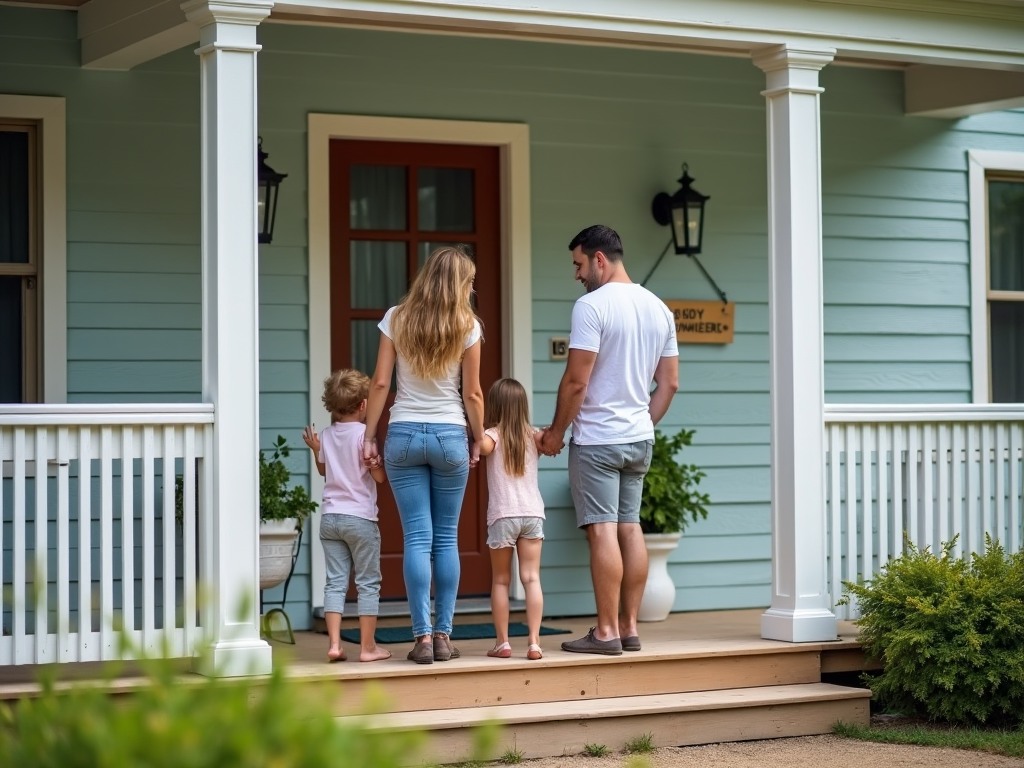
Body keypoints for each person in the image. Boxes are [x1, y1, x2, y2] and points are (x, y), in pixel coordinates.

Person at [539, 225, 679, 656]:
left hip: (598, 441)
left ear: (599, 259)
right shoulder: (659, 308)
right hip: (638, 439)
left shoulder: (591, 307)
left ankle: (605, 632)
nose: (577, 274)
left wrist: (555, 433)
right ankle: (630, 627)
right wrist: (642, 423)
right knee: (630, 527)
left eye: (579, 264)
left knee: (602, 532)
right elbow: (669, 384)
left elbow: (576, 381)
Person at [363, 247, 485, 665]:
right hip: (451, 434)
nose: (472, 289)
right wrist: (478, 437)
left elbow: (380, 384)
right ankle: (444, 636)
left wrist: (368, 437)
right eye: (469, 282)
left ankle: (421, 640)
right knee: (445, 537)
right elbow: (472, 393)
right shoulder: (468, 325)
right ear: (458, 284)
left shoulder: (397, 317)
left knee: (417, 536)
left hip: (403, 435)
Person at [302, 368, 392, 663]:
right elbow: (378, 478)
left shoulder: (327, 435)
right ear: (364, 405)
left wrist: (317, 450)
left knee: (335, 582)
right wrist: (377, 462)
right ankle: (367, 648)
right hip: (360, 519)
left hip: (330, 519)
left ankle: (335, 644)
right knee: (367, 582)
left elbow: (325, 471)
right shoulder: (363, 437)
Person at [478, 378, 546, 661]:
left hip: (503, 515)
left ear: (495, 405)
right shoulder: (535, 436)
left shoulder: (492, 435)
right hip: (532, 514)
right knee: (531, 578)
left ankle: (503, 642)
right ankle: (533, 643)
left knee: (501, 581)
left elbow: (480, 447)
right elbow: (552, 441)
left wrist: (471, 416)